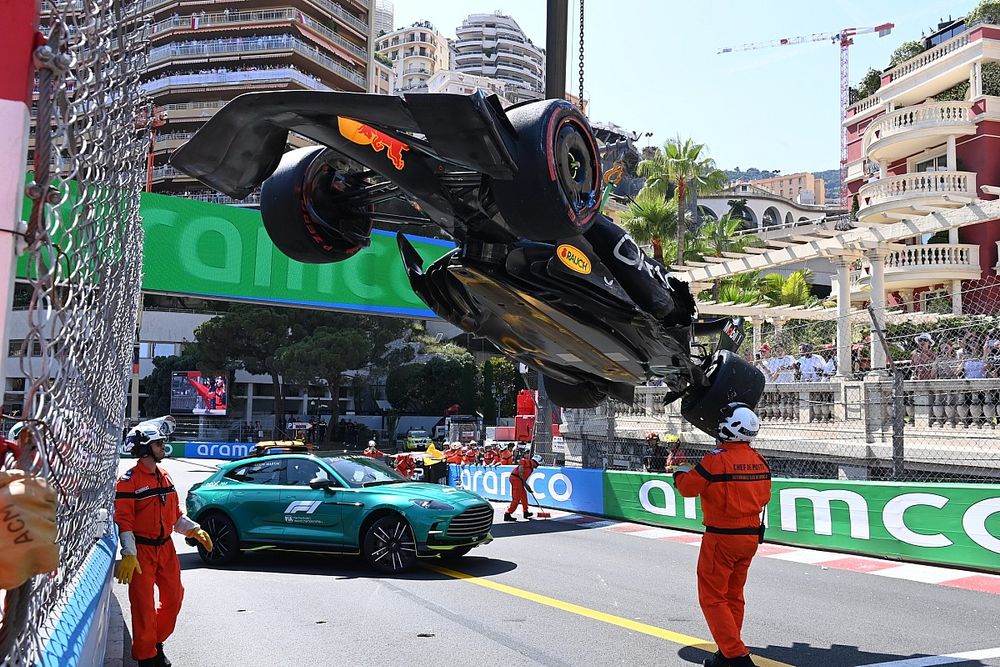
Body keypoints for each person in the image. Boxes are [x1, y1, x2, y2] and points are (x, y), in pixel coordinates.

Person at [673, 403, 771, 667]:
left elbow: (688, 489)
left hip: (722, 537)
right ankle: (726, 655)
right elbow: (765, 497)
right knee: (733, 596)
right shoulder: (760, 460)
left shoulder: (716, 459)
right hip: (749, 538)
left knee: (713, 597)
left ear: (730, 428)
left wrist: (679, 472)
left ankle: (736, 656)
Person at [115, 418, 214, 667]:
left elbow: (175, 516)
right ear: (145, 448)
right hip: (141, 551)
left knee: (174, 598)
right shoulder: (128, 481)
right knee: (143, 607)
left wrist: (195, 530)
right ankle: (147, 657)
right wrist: (129, 553)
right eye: (159, 443)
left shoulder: (165, 476)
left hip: (166, 548)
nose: (163, 447)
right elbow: (124, 522)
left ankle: (155, 642)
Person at [504, 451, 541, 522]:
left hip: (520, 480)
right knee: (516, 498)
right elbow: (520, 468)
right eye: (538, 464)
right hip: (516, 478)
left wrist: (527, 486)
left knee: (524, 496)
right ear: (536, 462)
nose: (538, 466)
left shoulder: (531, 469)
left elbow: (524, 479)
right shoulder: (525, 461)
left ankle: (525, 512)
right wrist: (525, 483)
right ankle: (508, 513)